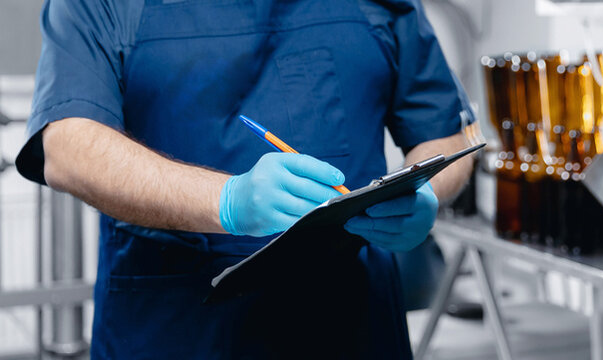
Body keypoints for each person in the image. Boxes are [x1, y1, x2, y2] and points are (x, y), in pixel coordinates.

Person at [15, 0, 474, 358]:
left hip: (354, 325)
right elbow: (68, 147)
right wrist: (227, 200)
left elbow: (447, 132)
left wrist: (424, 192)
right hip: (173, 330)